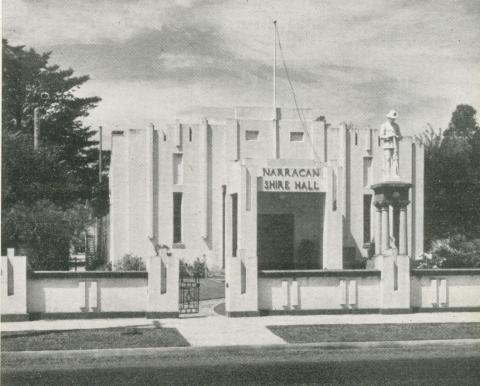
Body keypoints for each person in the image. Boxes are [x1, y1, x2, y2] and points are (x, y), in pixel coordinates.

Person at [380, 110, 402, 179]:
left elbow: (400, 136)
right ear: (389, 118)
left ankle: (394, 173)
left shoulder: (396, 126)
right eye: (392, 118)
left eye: (394, 118)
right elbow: (381, 136)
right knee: (387, 159)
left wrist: (396, 136)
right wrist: (388, 136)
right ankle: (387, 174)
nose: (393, 120)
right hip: (387, 145)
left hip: (394, 145)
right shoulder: (384, 125)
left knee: (395, 159)